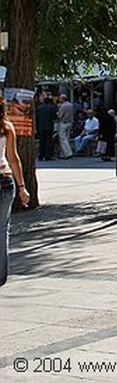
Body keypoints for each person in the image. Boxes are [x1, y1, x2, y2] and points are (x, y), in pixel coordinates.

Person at [1, 98, 31, 286]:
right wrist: (22, 187)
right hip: (5, 180)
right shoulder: (7, 127)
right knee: (2, 230)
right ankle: (1, 275)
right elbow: (13, 158)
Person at [35, 95, 58, 161]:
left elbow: (37, 118)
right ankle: (48, 155)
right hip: (49, 126)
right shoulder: (51, 107)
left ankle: (41, 155)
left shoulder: (39, 108)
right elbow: (55, 117)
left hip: (41, 126)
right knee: (49, 141)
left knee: (42, 141)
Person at [56, 95, 74, 160]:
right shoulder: (70, 105)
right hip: (69, 122)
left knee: (63, 139)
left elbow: (60, 116)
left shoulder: (63, 106)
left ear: (62, 99)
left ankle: (68, 153)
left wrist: (57, 113)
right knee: (67, 138)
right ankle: (63, 154)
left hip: (63, 123)